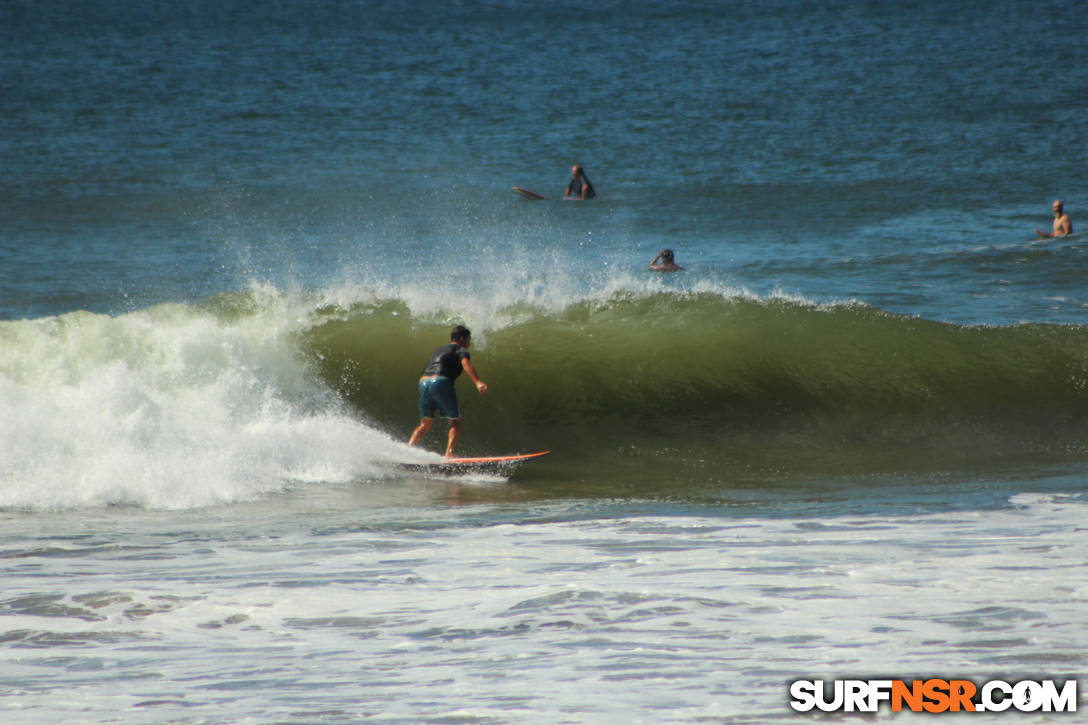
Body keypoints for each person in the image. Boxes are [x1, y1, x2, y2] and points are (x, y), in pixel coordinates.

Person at [408, 325, 488, 458]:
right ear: (462, 339)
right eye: (469, 339)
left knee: (425, 423)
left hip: (423, 382)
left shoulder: (439, 349)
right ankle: (449, 453)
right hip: (440, 382)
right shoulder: (461, 350)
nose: (469, 343)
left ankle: (408, 449)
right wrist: (477, 381)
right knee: (456, 422)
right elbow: (466, 363)